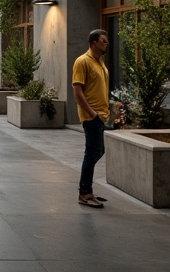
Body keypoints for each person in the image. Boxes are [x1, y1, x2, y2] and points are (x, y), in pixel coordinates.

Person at [72, 28, 111, 208]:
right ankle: (84, 193)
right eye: (103, 41)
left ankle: (87, 190)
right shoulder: (82, 62)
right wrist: (92, 114)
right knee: (92, 153)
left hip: (102, 116)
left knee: (98, 151)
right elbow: (78, 91)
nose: (106, 44)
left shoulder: (100, 63)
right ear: (93, 43)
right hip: (92, 116)